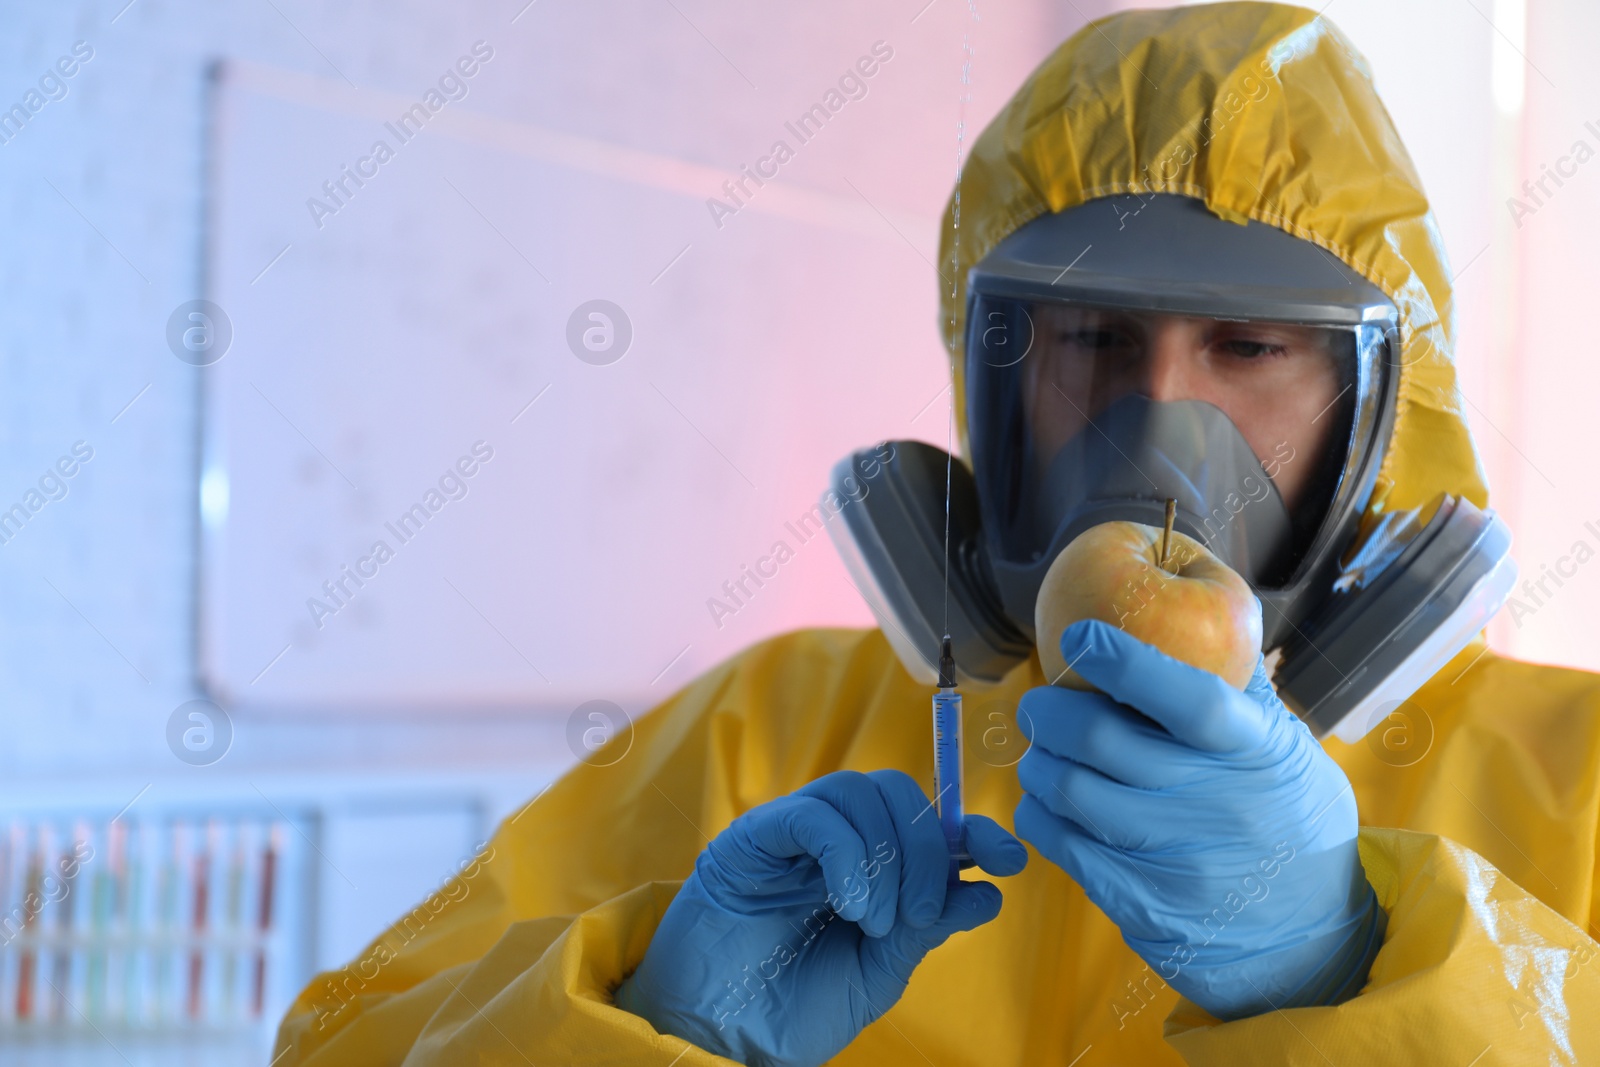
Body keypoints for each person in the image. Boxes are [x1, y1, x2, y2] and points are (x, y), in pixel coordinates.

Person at [272, 4, 1600, 1064]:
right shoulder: (766, 737)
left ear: (1385, 413)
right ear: (989, 378)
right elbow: (351, 1043)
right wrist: (646, 1023)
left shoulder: (1573, 787)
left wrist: (1352, 971)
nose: (1155, 421)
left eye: (1248, 349)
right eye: (1090, 342)